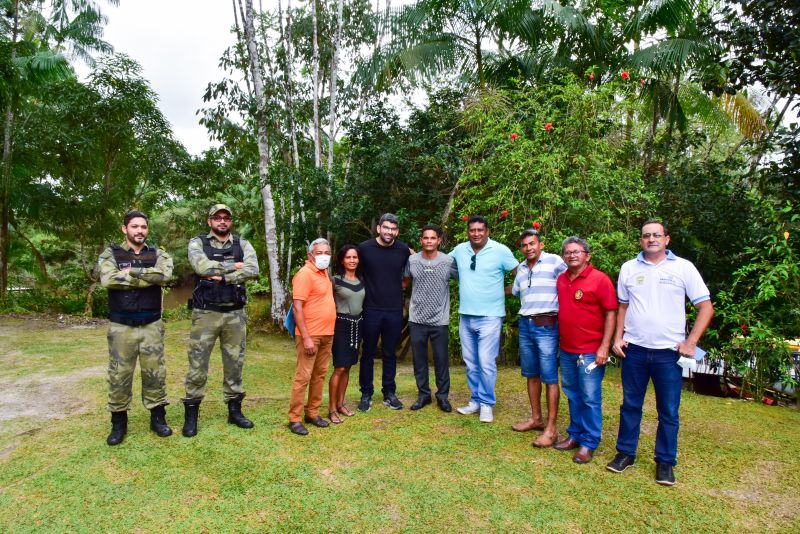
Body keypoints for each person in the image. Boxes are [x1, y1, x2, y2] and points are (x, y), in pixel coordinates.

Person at [608, 219, 714, 486]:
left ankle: (665, 462)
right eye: (646, 236)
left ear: (667, 239)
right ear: (640, 240)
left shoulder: (683, 268)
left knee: (668, 410)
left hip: (669, 353)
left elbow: (706, 307)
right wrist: (618, 337)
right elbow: (623, 307)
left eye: (657, 235)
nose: (651, 239)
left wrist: (691, 342)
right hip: (635, 351)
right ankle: (625, 453)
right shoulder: (629, 268)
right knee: (630, 405)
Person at [181, 204, 259, 437]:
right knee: (198, 364)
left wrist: (224, 277)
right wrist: (234, 266)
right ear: (209, 221)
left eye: (226, 218)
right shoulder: (198, 243)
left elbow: (253, 269)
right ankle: (191, 414)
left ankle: (234, 411)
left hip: (235, 314)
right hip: (206, 313)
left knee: (235, 363)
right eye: (217, 218)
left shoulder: (242, 244)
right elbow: (201, 267)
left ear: (231, 222)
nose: (222, 222)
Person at [97, 210, 173, 445]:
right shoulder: (111, 254)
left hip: (151, 324)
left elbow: (165, 276)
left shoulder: (158, 254)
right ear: (125, 229)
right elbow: (108, 279)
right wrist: (147, 278)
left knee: (155, 373)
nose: (139, 231)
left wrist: (130, 272)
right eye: (134, 227)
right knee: (119, 375)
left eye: (143, 227)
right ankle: (118, 424)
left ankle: (158, 419)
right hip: (122, 326)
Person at [554, 237, 617, 464]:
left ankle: (588, 443)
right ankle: (575, 435)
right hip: (568, 349)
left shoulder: (600, 280)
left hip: (591, 351)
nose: (572, 255)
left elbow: (611, 313)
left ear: (587, 255)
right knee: (572, 393)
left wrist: (604, 346)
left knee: (590, 397)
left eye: (577, 251)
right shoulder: (561, 279)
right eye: (568, 252)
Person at [450, 216, 518, 422]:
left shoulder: (500, 250)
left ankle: (487, 404)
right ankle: (476, 400)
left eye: (480, 230)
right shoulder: (460, 250)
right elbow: (439, 261)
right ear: (468, 232)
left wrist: (506, 290)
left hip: (490, 316)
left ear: (487, 231)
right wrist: (415, 255)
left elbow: (519, 273)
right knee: (471, 363)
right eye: (472, 230)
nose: (476, 233)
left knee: (486, 362)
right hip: (466, 315)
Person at [508, 228, 566, 446]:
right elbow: (514, 291)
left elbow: (574, 278)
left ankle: (551, 430)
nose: (528, 248)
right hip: (526, 324)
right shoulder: (521, 269)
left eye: (532, 243)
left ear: (540, 244)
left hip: (547, 325)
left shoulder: (554, 261)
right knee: (531, 374)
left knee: (550, 377)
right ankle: (536, 419)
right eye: (524, 245)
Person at [357, 213, 412, 412]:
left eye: (393, 229)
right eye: (386, 227)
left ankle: (389, 393)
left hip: (394, 310)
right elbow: (353, 268)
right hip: (370, 308)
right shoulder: (364, 248)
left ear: (397, 231)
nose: (389, 232)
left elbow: (417, 264)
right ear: (379, 228)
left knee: (390, 353)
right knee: (369, 353)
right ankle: (366, 394)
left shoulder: (403, 249)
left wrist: (404, 284)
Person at [403, 225, 458, 412]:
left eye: (432, 238)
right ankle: (423, 395)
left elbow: (466, 279)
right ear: (421, 240)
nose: (429, 241)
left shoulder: (449, 261)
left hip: (439, 320)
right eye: (425, 238)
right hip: (417, 319)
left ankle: (442, 397)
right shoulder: (412, 260)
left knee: (441, 360)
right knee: (419, 361)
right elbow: (405, 282)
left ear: (439, 240)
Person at [288, 238, 337, 435]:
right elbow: (297, 308)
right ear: (310, 255)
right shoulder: (305, 274)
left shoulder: (324, 273)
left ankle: (313, 412)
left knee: (320, 375)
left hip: (327, 333)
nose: (323, 256)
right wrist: (306, 337)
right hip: (311, 335)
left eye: (327, 252)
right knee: (303, 377)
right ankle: (295, 418)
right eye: (319, 253)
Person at [328, 245, 365, 424]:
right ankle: (332, 409)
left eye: (355, 257)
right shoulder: (334, 280)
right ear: (342, 260)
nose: (352, 260)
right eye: (348, 257)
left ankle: (341, 404)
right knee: (339, 368)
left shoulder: (361, 280)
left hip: (357, 325)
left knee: (349, 366)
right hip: (340, 325)